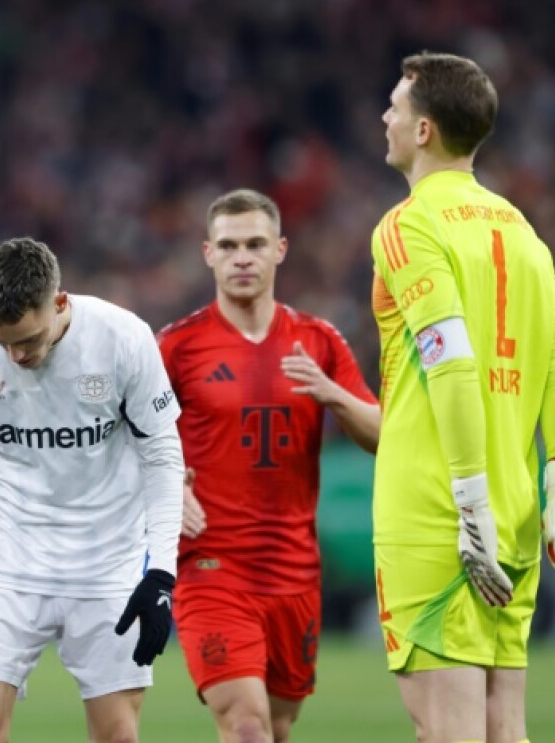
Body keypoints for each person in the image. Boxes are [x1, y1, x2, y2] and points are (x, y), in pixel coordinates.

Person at [0, 237, 185, 743]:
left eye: (27, 340)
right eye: (1, 340)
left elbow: (163, 459)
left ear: (59, 303)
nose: (14, 356)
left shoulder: (123, 339)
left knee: (118, 735)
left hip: (107, 566)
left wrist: (161, 574)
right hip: (5, 566)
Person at [371, 51, 555, 743]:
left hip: (442, 510)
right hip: (514, 510)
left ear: (424, 130)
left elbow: (448, 363)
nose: (386, 117)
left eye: (396, 106)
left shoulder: (409, 226)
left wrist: (469, 504)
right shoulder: (525, 234)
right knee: (502, 728)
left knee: (447, 731)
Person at [157, 189, 381, 743]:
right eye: (228, 245)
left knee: (277, 728)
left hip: (294, 573)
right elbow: (123, 443)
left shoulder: (319, 342)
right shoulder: (177, 348)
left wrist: (332, 395)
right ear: (207, 253)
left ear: (280, 250)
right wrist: (165, 487)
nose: (242, 257)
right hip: (210, 568)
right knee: (247, 725)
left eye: (255, 244)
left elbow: (381, 436)